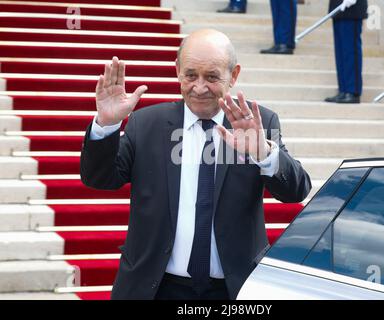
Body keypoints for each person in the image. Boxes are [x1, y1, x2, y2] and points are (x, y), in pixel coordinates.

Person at [80, 29, 311, 300]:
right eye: (191, 75)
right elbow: (99, 178)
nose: (199, 88)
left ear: (233, 75)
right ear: (177, 70)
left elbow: (296, 192)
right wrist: (106, 125)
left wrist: (264, 153)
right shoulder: (146, 124)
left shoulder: (257, 123)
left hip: (233, 289)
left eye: (212, 77)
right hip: (155, 287)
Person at [325, 0, 368, 104]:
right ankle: (343, 89)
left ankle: (352, 91)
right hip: (339, 6)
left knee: (350, 51)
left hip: (352, 7)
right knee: (341, 53)